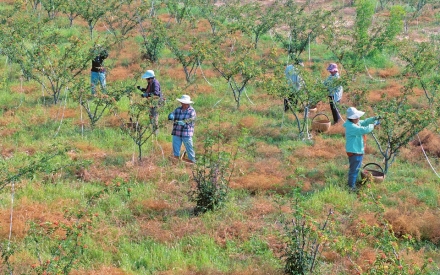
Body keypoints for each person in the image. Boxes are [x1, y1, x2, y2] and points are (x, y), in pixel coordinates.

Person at [343, 107, 380, 192]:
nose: (359, 118)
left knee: (356, 169)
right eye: (357, 117)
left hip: (356, 151)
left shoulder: (355, 123)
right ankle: (351, 187)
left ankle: (352, 185)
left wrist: (374, 118)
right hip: (354, 152)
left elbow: (365, 122)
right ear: (353, 118)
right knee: (354, 171)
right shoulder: (351, 126)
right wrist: (373, 125)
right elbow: (363, 130)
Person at [169, 95, 196, 163]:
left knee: (189, 148)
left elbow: (192, 119)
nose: (183, 104)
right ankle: (176, 160)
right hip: (177, 132)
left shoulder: (191, 111)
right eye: (182, 102)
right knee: (176, 148)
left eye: (185, 103)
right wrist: (171, 115)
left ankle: (192, 161)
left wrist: (184, 122)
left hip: (186, 132)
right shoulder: (178, 109)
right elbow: (172, 114)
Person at [137, 70, 163, 134]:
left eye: (147, 78)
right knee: (151, 117)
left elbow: (156, 93)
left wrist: (146, 95)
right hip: (152, 102)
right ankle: (153, 132)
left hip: (156, 103)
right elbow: (147, 91)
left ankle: (156, 133)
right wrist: (141, 89)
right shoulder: (150, 83)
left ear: (151, 78)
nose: (146, 80)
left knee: (154, 117)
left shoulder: (155, 83)